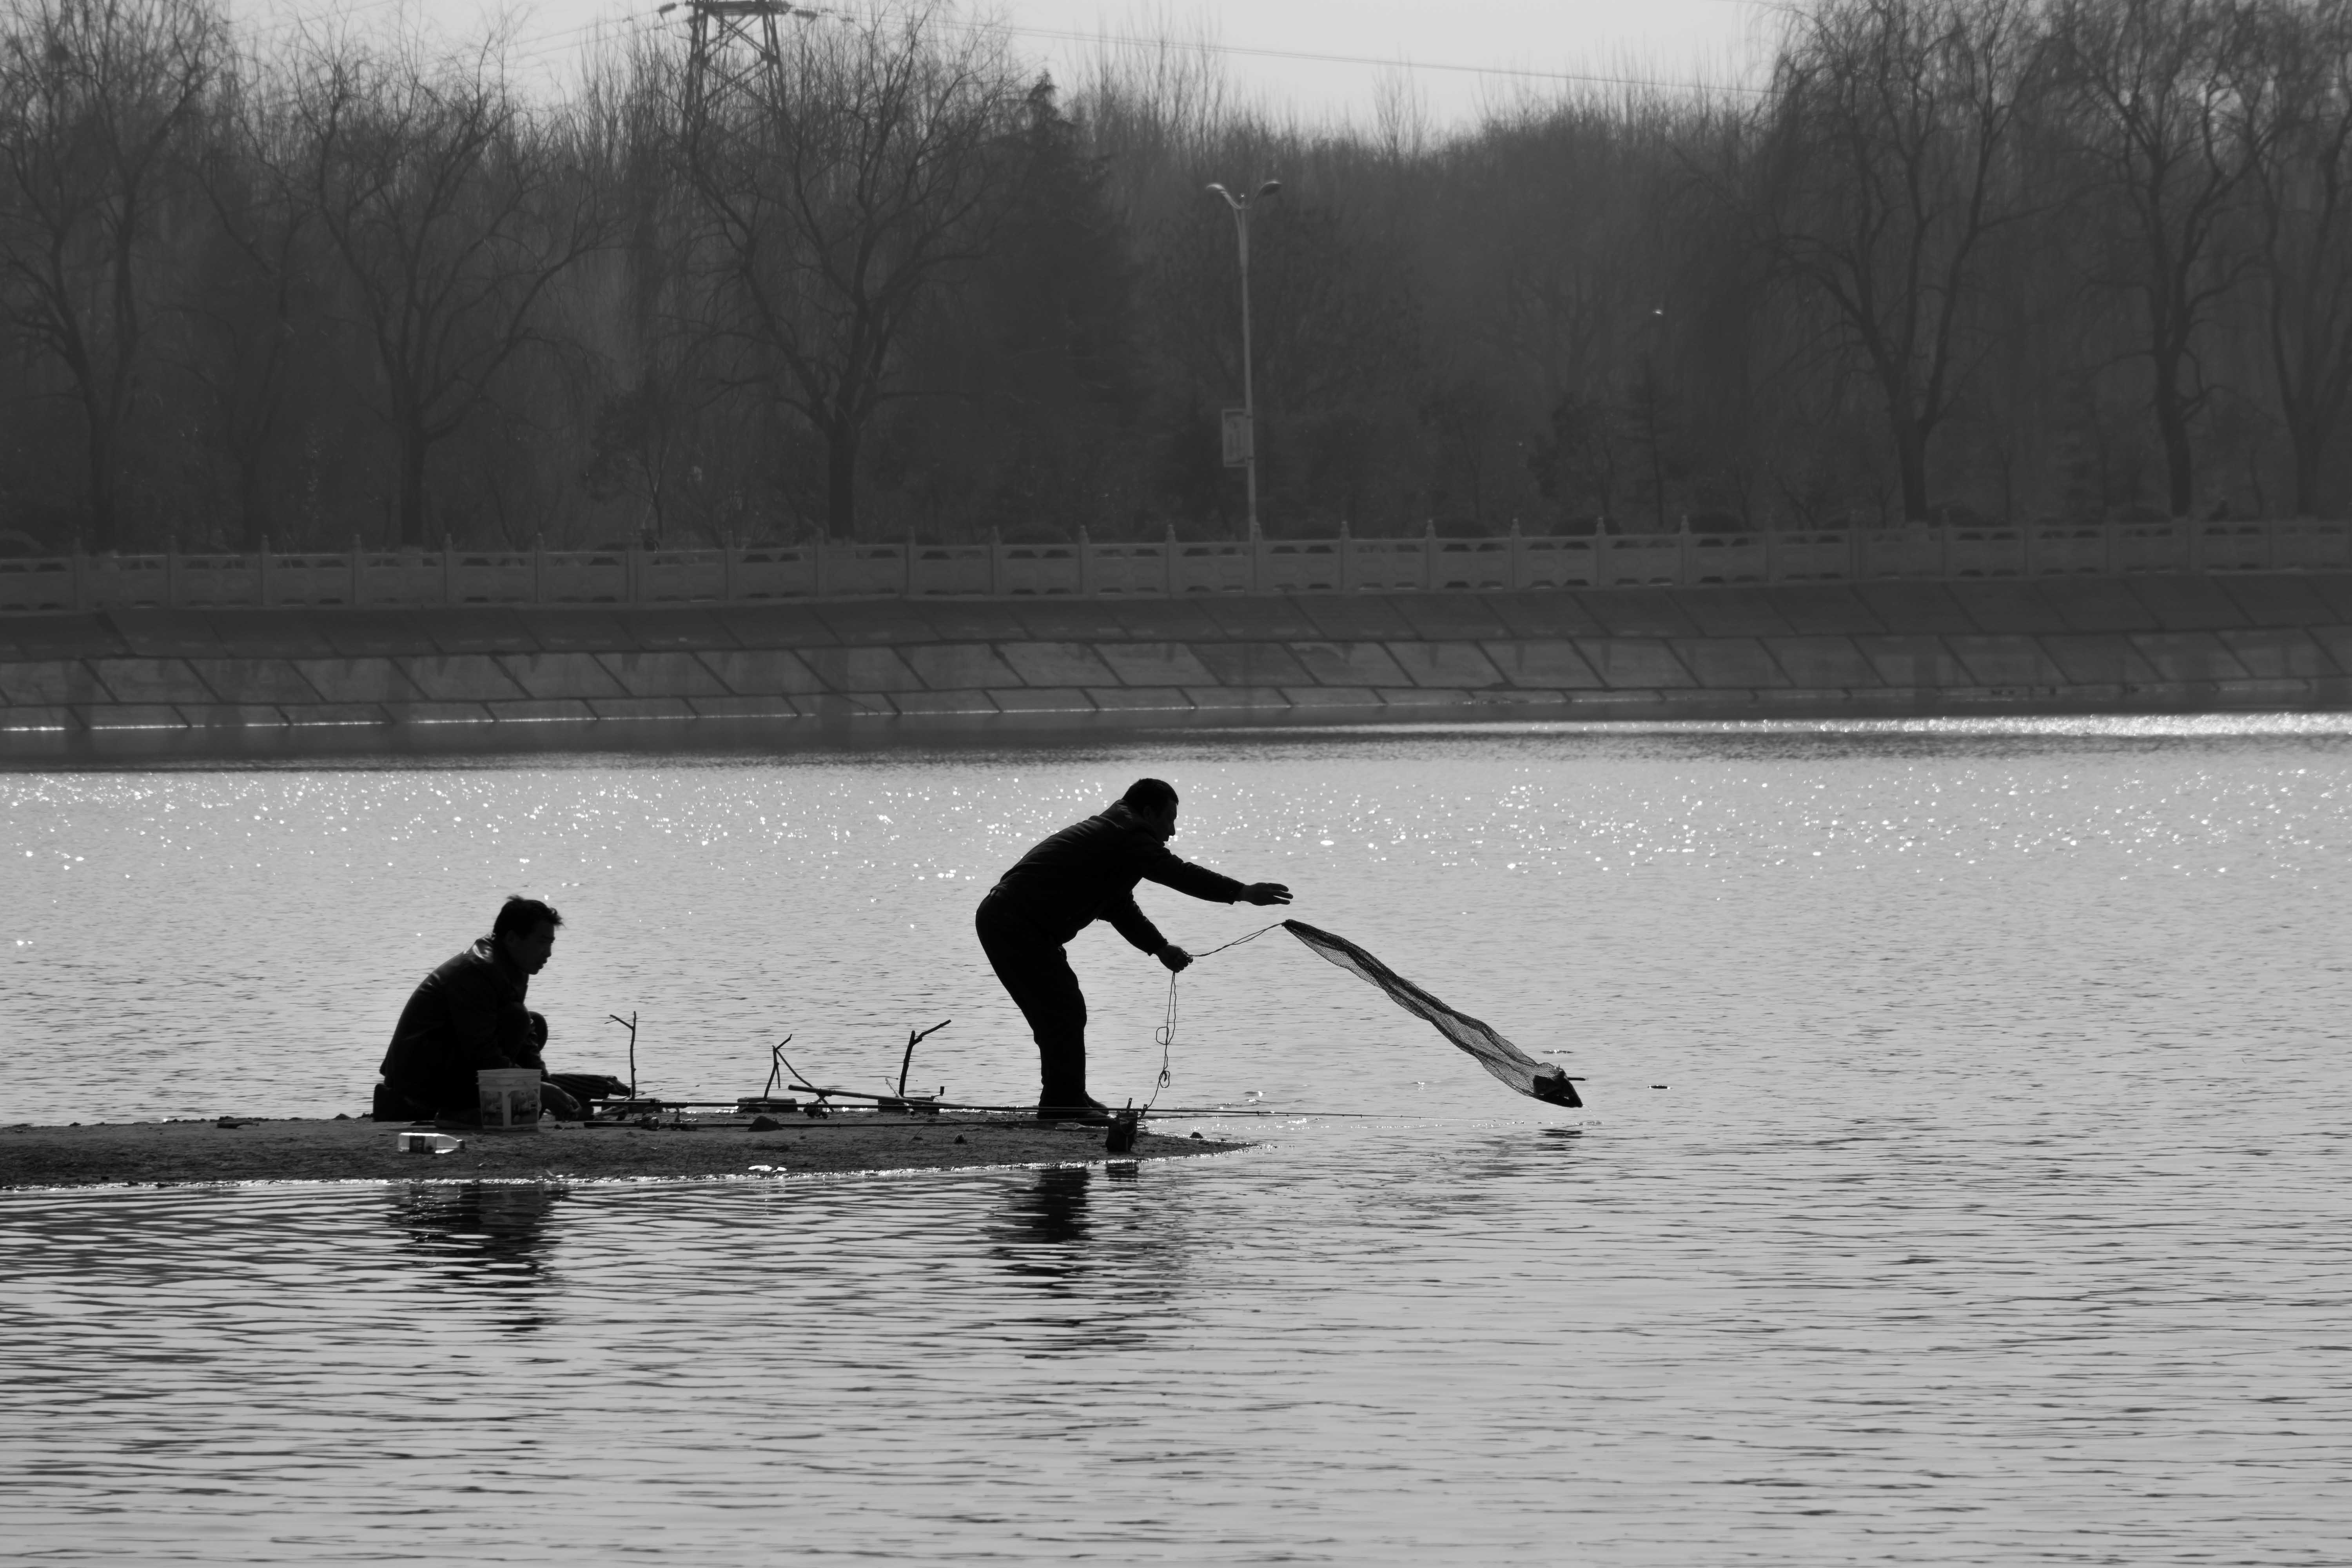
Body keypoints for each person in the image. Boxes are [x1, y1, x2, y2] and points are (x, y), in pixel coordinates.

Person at [976, 778, 1292, 1122]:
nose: (1171, 832)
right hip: (1012, 922)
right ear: (1148, 812)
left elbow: (1118, 907)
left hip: (1016, 925)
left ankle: (1068, 1097)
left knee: (1063, 1009)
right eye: (1168, 820)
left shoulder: (1116, 836)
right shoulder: (1126, 834)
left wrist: (1160, 948)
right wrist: (1242, 891)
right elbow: (1178, 873)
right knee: (1062, 1008)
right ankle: (1062, 1104)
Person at [375, 896, 590, 1123]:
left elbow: (524, 1039)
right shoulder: (478, 970)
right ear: (513, 939)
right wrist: (536, 1088)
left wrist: (546, 1087)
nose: (548, 953)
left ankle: (479, 1104)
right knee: (518, 1020)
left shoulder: (513, 965)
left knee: (531, 1022)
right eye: (542, 942)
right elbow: (481, 1052)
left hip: (453, 1064)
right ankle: (458, 1109)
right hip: (416, 1084)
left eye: (551, 943)